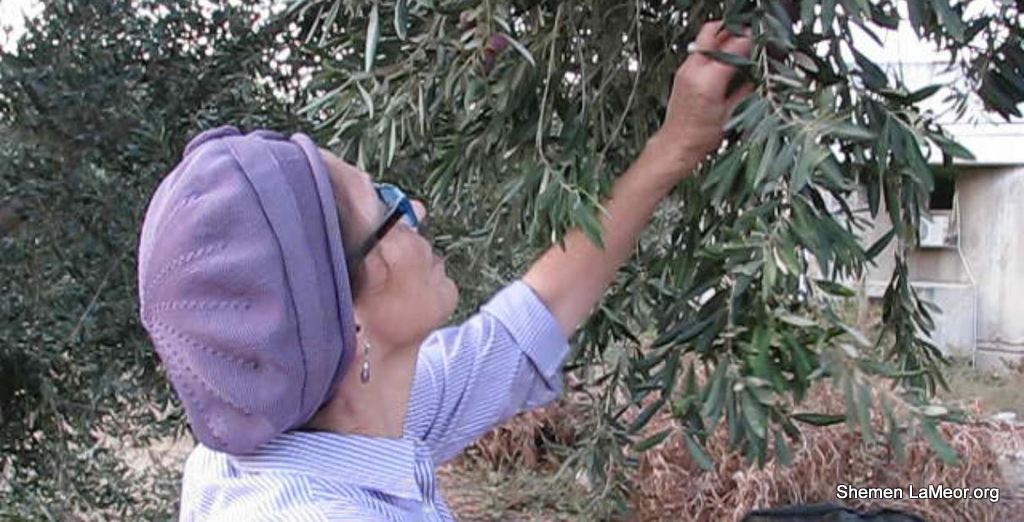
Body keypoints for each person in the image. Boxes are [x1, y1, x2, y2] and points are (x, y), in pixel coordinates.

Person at [137, 20, 753, 522]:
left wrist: (676, 147)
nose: (418, 210)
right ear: (347, 321)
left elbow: (519, 334)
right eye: (387, 209)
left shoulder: (312, 415)